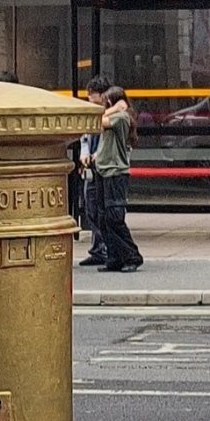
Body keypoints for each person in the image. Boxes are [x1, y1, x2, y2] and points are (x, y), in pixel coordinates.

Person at [95, 85, 143, 273]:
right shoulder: (114, 115)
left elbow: (97, 122)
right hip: (103, 169)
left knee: (114, 217)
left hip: (115, 171)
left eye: (106, 100)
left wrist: (115, 108)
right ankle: (115, 256)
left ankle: (132, 255)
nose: (103, 103)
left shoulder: (121, 117)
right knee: (102, 218)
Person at [78, 74, 112, 267]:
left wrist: (97, 154)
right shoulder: (90, 114)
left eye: (92, 94)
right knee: (91, 209)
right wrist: (85, 154)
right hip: (90, 167)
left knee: (102, 209)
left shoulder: (110, 115)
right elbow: (85, 137)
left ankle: (105, 247)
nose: (89, 97)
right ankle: (98, 248)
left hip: (104, 167)